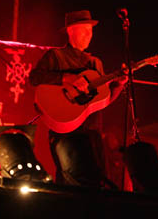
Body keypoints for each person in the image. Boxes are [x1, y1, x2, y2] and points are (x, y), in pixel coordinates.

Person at [29, 10, 128, 188]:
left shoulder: (96, 63)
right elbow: (35, 78)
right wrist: (66, 78)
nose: (89, 35)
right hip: (65, 133)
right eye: (84, 30)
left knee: (96, 183)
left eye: (91, 31)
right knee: (71, 181)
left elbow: (101, 102)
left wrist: (119, 85)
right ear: (70, 31)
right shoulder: (56, 56)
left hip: (92, 132)